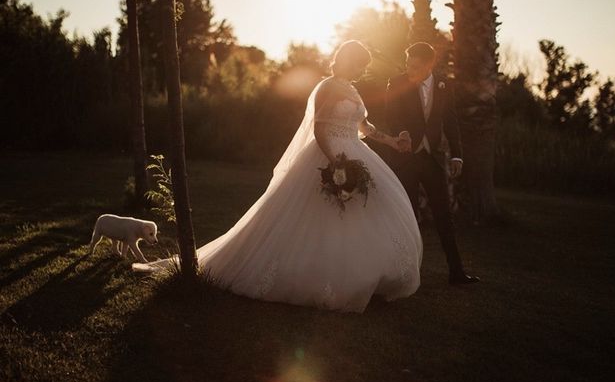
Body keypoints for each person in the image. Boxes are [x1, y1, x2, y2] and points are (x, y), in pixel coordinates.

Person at [134, 40, 423, 313]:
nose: (361, 71)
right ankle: (325, 278)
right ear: (346, 60)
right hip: (330, 154)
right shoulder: (328, 88)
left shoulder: (351, 88)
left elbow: (364, 126)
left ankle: (370, 276)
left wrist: (391, 141)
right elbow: (320, 129)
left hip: (356, 152)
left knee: (363, 211)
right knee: (321, 216)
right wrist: (336, 162)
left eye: (364, 66)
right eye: (359, 64)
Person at [385, 42, 479, 285]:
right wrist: (402, 132)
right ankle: (402, 273)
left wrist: (457, 154)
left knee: (443, 215)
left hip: (434, 158)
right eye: (407, 64)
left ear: (429, 65)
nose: (409, 69)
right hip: (406, 157)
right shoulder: (397, 83)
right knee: (407, 214)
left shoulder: (445, 85)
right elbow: (391, 116)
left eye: (415, 66)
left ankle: (456, 272)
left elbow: (450, 121)